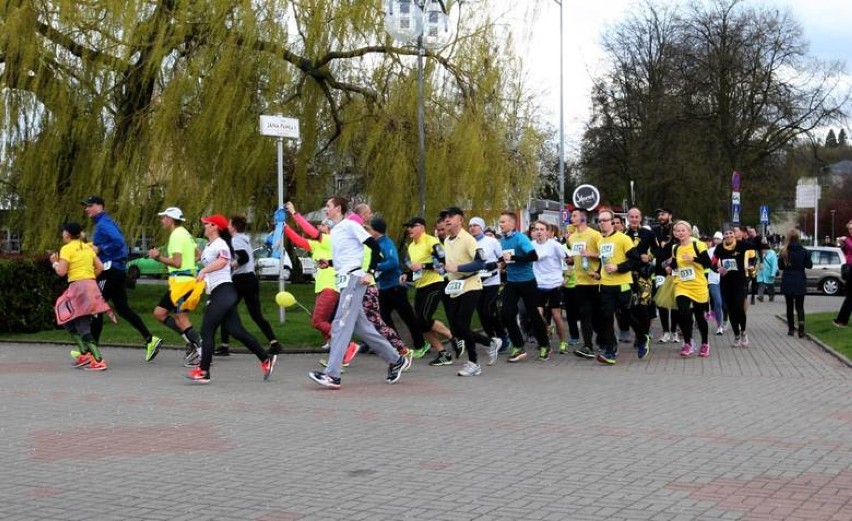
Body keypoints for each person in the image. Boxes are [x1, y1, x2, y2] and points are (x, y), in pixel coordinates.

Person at [308, 196, 412, 389]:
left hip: (354, 280)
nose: (325, 210)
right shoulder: (337, 230)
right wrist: (329, 263)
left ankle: (333, 375)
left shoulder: (349, 225)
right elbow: (347, 256)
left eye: (328, 206)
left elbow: (374, 248)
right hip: (344, 281)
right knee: (363, 328)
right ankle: (396, 359)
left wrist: (369, 272)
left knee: (339, 325)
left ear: (338, 208)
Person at [186, 214, 277, 384]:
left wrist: (204, 271)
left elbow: (223, 261)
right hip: (219, 293)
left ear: (215, 227)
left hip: (223, 292)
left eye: (207, 224)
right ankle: (266, 359)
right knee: (237, 331)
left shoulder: (222, 244)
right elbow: (208, 261)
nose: (204, 226)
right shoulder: (209, 245)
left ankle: (203, 371)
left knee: (207, 331)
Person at [82, 196, 162, 361]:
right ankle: (150, 339)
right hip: (117, 270)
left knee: (96, 308)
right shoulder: (106, 223)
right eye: (86, 206)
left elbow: (119, 243)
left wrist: (99, 248)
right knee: (123, 308)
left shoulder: (103, 224)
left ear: (99, 206)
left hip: (109, 270)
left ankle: (92, 353)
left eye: (89, 205)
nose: (86, 209)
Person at [282, 201, 357, 366]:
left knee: (318, 321)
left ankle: (347, 346)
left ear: (329, 229)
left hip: (331, 286)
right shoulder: (318, 245)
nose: (320, 226)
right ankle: (339, 356)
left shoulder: (330, 240)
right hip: (322, 287)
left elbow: (310, 231)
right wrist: (284, 228)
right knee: (324, 323)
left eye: (323, 224)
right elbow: (298, 240)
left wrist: (294, 213)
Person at [214, 215, 282, 356]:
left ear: (233, 227)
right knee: (256, 314)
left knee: (226, 310)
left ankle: (224, 346)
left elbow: (243, 257)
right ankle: (274, 342)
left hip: (241, 279)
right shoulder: (244, 239)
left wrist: (232, 265)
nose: (227, 226)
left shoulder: (235, 240)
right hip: (251, 279)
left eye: (229, 224)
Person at [50, 222, 113, 371]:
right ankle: (85, 354)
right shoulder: (87, 247)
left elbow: (61, 272)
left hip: (78, 288)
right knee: (66, 316)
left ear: (67, 234)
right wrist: (89, 278)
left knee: (80, 323)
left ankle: (97, 360)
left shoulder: (66, 248)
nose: (62, 234)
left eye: (63, 232)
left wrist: (54, 263)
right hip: (90, 286)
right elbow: (100, 267)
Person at [148, 207, 204, 367]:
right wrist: (189, 263)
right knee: (160, 313)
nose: (162, 220)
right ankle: (191, 342)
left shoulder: (176, 235)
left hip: (182, 283)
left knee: (181, 317)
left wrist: (158, 257)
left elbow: (177, 262)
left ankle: (202, 351)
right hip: (182, 282)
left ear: (171, 220)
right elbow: (198, 254)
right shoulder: (185, 233)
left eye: (164, 218)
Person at [441, 207, 490, 375]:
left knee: (463, 324)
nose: (447, 219)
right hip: (455, 287)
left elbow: (481, 263)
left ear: (460, 220)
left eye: (451, 216)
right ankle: (490, 343)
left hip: (471, 285)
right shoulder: (447, 240)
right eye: (445, 217)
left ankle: (474, 363)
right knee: (456, 329)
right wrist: (444, 269)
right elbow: (450, 264)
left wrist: (459, 267)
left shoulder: (468, 239)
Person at [369, 216, 427, 355]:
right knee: (383, 317)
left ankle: (421, 344)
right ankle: (397, 345)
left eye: (370, 229)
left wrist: (374, 267)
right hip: (384, 287)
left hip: (395, 286)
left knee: (407, 316)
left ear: (376, 230)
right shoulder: (375, 244)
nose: (368, 231)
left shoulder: (387, 244)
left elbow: (393, 262)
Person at [497, 211, 551, 362]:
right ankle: (518, 346)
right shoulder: (503, 240)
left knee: (533, 315)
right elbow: (504, 258)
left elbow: (533, 256)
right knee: (506, 314)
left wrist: (513, 257)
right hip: (512, 282)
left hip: (527, 282)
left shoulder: (520, 238)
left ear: (513, 224)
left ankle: (544, 345)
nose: (501, 224)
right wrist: (499, 264)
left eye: (503, 222)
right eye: (500, 222)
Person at [404, 216, 455, 365]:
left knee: (424, 319)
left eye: (412, 226)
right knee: (420, 324)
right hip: (420, 286)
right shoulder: (411, 246)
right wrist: (406, 274)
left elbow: (444, 263)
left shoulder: (431, 241)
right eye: (408, 227)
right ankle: (443, 353)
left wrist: (424, 266)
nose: (409, 229)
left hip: (434, 284)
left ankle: (452, 337)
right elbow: (416, 269)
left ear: (422, 227)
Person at [595, 209, 640, 364]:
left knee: (626, 316)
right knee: (607, 317)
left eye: (605, 220)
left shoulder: (623, 239)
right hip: (605, 285)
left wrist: (618, 268)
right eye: (600, 221)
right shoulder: (600, 241)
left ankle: (642, 337)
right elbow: (603, 261)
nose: (602, 223)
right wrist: (598, 273)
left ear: (613, 222)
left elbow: (636, 261)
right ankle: (610, 350)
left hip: (622, 284)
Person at [667, 220, 712, 357]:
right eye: (677, 231)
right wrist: (671, 267)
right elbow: (676, 263)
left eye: (683, 230)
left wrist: (693, 258)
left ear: (689, 232)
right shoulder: (675, 248)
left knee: (699, 317)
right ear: (675, 233)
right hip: (682, 285)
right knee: (683, 313)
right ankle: (688, 343)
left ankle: (705, 343)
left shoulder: (698, 244)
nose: (680, 233)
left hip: (698, 285)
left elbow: (707, 263)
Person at [468, 216, 507, 361]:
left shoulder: (492, 241)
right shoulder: (469, 242)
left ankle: (503, 337)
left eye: (475, 225)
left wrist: (495, 266)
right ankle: (492, 340)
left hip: (492, 281)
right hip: (476, 282)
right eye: (470, 225)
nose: (472, 228)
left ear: (482, 227)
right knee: (482, 314)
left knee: (489, 311)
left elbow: (503, 260)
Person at [712, 228, 757, 347]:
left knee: (739, 307)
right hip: (726, 282)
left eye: (731, 233)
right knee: (730, 309)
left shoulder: (741, 245)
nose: (728, 235)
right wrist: (718, 269)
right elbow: (712, 263)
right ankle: (736, 335)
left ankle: (743, 332)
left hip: (740, 281)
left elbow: (754, 251)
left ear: (734, 235)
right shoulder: (720, 248)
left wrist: (752, 265)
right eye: (726, 234)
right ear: (723, 237)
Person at [567, 208, 602, 358]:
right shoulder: (572, 237)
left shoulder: (595, 235)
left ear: (583, 218)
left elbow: (605, 255)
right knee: (584, 314)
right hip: (580, 281)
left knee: (598, 316)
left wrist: (591, 254)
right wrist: (571, 260)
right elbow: (576, 257)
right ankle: (588, 345)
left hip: (595, 281)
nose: (571, 218)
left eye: (574, 216)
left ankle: (606, 341)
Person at [531, 220, 568, 357]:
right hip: (539, 285)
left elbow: (567, 260)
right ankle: (545, 338)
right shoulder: (531, 245)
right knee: (538, 316)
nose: (539, 232)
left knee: (557, 316)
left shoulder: (555, 245)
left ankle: (563, 342)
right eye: (536, 229)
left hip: (554, 285)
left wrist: (566, 276)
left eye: (542, 229)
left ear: (547, 231)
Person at [623, 207, 655, 358]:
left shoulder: (648, 233)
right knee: (631, 308)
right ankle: (639, 334)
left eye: (637, 217)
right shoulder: (623, 235)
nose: (634, 219)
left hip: (645, 276)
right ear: (628, 218)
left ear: (640, 218)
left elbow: (658, 251)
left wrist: (649, 257)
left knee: (643, 308)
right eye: (632, 217)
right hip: (629, 275)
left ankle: (645, 335)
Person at [652, 207, 680, 344]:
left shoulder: (676, 231)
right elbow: (653, 250)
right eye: (659, 214)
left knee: (674, 302)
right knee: (661, 301)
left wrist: (671, 265)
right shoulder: (654, 230)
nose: (660, 216)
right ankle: (665, 331)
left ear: (670, 215)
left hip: (675, 271)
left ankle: (674, 331)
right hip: (659, 271)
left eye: (663, 214)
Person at [779, 229, 813, 338]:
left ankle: (791, 329)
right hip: (800, 279)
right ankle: (801, 327)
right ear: (798, 238)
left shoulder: (784, 251)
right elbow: (809, 265)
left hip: (788, 279)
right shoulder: (804, 251)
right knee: (800, 306)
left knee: (789, 306)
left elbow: (780, 267)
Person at [707, 232, 727, 335]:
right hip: (713, 280)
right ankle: (719, 326)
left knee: (725, 304)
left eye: (719, 239)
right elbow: (708, 264)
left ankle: (725, 320)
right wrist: (717, 267)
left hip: (725, 280)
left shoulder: (727, 250)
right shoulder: (710, 251)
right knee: (718, 303)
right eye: (715, 239)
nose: (717, 241)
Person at [833, 220, 852, 328]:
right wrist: (841, 244)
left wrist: (846, 241)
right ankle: (841, 320)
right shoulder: (848, 239)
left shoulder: (849, 240)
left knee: (849, 297)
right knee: (849, 296)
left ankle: (842, 320)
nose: (850, 231)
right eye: (849, 229)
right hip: (850, 267)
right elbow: (847, 252)